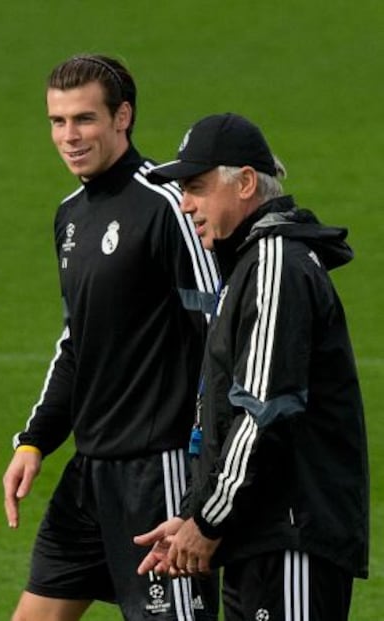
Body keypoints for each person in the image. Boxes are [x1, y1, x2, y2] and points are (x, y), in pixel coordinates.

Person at [2, 55, 220, 621]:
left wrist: (208, 470)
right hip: (91, 471)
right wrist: (35, 440)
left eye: (84, 119)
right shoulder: (70, 216)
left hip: (160, 471)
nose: (69, 137)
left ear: (122, 117)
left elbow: (218, 332)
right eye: (57, 121)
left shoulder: (167, 205)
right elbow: (77, 339)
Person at [134, 113, 370, 621]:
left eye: (195, 187)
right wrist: (194, 516)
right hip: (261, 537)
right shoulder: (250, 265)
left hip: (289, 538)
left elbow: (265, 411)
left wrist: (208, 519)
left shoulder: (275, 265)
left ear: (244, 182)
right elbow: (223, 413)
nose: (185, 204)